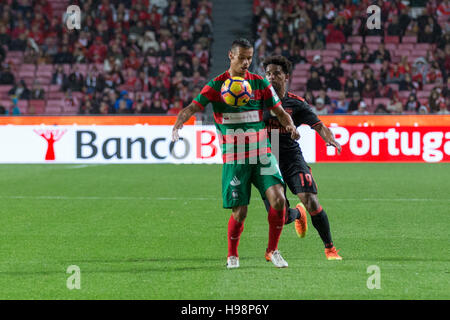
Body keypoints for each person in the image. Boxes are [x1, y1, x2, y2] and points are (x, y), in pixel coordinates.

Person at [171, 39, 300, 269]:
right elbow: (192, 107)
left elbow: (279, 111)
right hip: (235, 158)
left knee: (279, 200)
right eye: (242, 57)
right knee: (240, 212)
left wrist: (290, 125)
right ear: (230, 56)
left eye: (249, 58)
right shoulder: (216, 86)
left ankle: (273, 250)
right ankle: (233, 255)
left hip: (262, 155)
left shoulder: (259, 83)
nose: (246, 62)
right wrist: (177, 125)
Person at [262, 55, 343, 260]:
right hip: (267, 160)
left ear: (286, 77)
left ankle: (330, 249)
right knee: (281, 215)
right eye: (268, 74)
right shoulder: (257, 102)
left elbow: (318, 125)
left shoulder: (296, 104)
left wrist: (329, 138)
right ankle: (297, 214)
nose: (271, 77)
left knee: (311, 200)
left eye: (276, 74)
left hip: (290, 156)